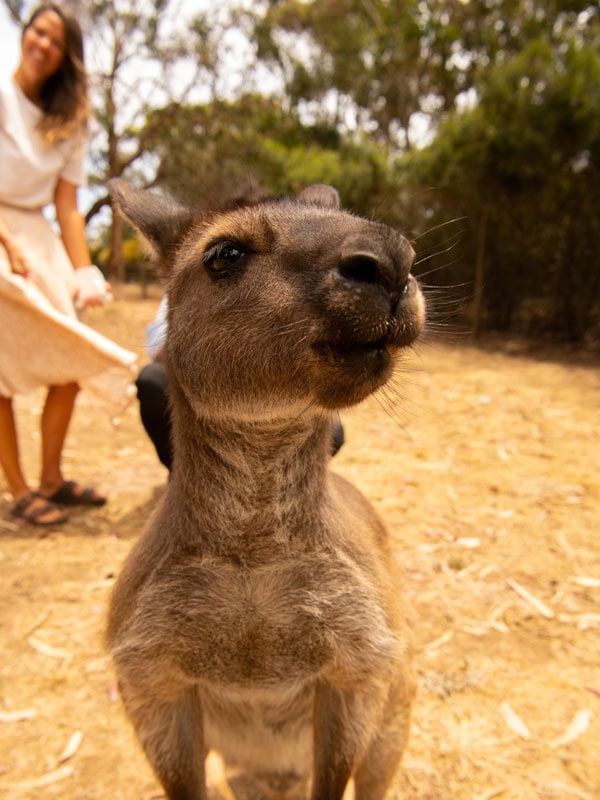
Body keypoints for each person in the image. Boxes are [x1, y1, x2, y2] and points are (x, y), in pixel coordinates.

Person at [0, 4, 137, 526]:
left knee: (70, 353)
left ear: (66, 57)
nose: (42, 45)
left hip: (38, 234)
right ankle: (18, 491)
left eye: (55, 41)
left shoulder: (70, 120)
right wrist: (9, 248)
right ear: (24, 33)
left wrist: (83, 272)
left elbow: (66, 206)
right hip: (2, 233)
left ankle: (52, 479)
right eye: (38, 32)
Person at [136, 296, 345, 473]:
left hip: (263, 388)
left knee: (333, 433)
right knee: (151, 380)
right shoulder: (187, 281)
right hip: (199, 383)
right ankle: (182, 472)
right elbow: (156, 346)